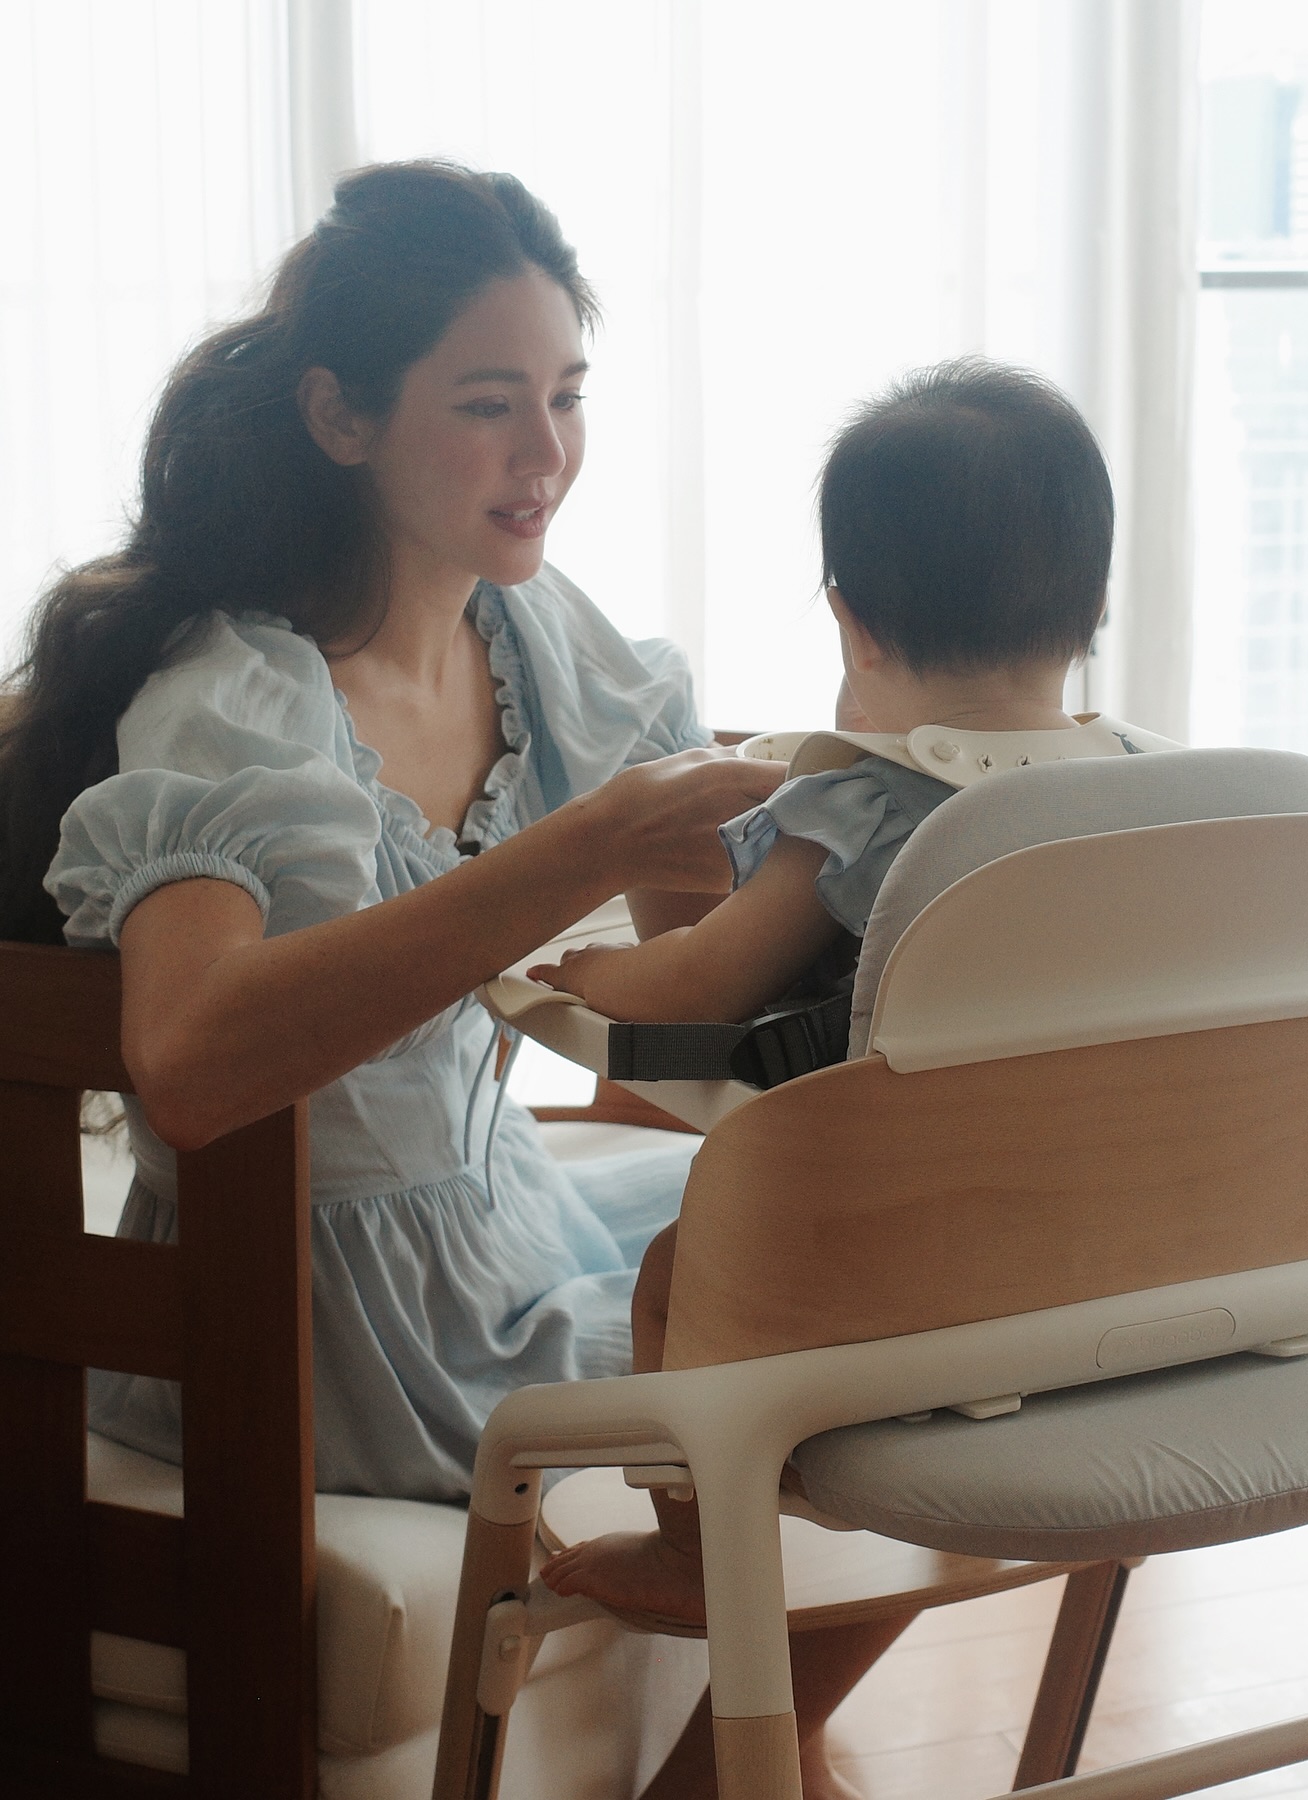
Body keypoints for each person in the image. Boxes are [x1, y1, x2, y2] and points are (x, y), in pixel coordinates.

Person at [0, 161, 896, 1800]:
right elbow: (187, 1063)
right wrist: (576, 851)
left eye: (567, 396)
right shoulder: (235, 697)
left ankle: (751, 1771)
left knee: (931, 1270)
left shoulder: (534, 636)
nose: (544, 452)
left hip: (504, 1222)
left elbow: (703, 951)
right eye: (490, 405)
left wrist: (879, 831)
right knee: (871, 1366)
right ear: (340, 416)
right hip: (314, 1313)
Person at [535, 356, 1177, 1629]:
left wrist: (583, 967)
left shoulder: (867, 804)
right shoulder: (1142, 789)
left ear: (853, 623)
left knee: (676, 1272)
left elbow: (696, 990)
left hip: (893, 1257)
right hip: (1096, 1257)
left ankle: (694, 1554)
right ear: (1094, 603)